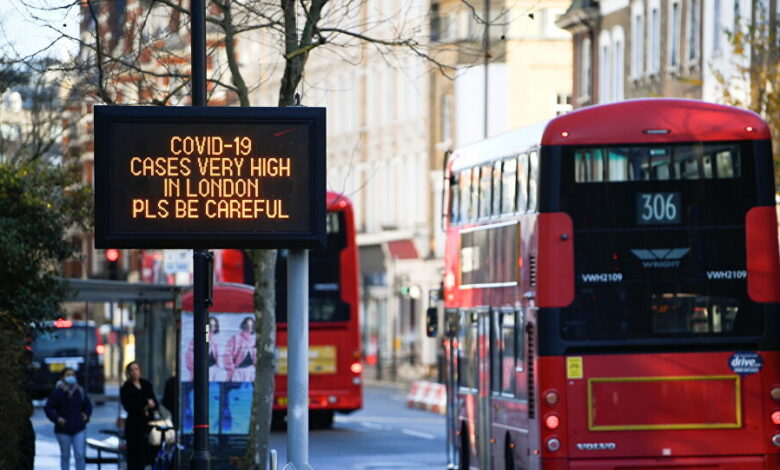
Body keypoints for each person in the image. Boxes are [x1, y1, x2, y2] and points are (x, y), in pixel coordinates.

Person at [44, 368, 93, 470]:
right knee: (65, 455)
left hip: (78, 427)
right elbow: (48, 408)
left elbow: (88, 405)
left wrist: (86, 414)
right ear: (63, 377)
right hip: (63, 428)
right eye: (68, 375)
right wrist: (57, 419)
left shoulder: (79, 391)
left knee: (79, 454)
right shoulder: (57, 393)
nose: (71, 377)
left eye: (73, 375)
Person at [120, 361, 158, 470]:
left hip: (148, 424)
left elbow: (154, 403)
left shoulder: (146, 384)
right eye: (131, 370)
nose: (134, 372)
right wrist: (145, 405)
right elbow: (130, 406)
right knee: (135, 456)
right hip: (134, 426)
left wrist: (147, 405)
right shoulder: (126, 388)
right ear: (128, 373)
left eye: (136, 369)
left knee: (148, 453)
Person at [185, 315, 223, 381]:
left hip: (213, 369)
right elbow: (189, 355)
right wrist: (195, 368)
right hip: (201, 370)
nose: (213, 328)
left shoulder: (215, 339)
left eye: (215, 326)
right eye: (210, 326)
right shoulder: (200, 338)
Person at [223, 316, 256, 382]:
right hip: (237, 371)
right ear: (243, 326)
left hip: (251, 371)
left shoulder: (254, 339)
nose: (249, 328)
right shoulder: (235, 338)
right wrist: (231, 369)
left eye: (251, 326)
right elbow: (227, 354)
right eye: (247, 326)